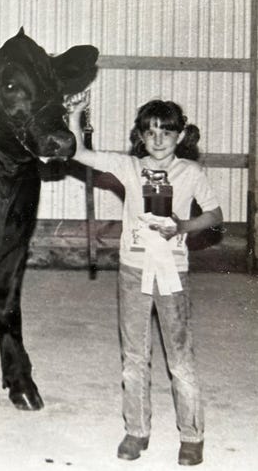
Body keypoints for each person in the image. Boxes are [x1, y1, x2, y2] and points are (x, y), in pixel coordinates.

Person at [69, 98, 223, 467]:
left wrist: (182, 227)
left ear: (180, 135)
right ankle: (136, 431)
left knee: (179, 358)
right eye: (150, 132)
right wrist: (76, 114)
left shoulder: (191, 172)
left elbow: (215, 215)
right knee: (134, 357)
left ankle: (191, 436)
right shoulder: (128, 166)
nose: (158, 139)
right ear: (140, 136)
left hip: (173, 273)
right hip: (133, 272)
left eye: (166, 132)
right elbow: (78, 152)